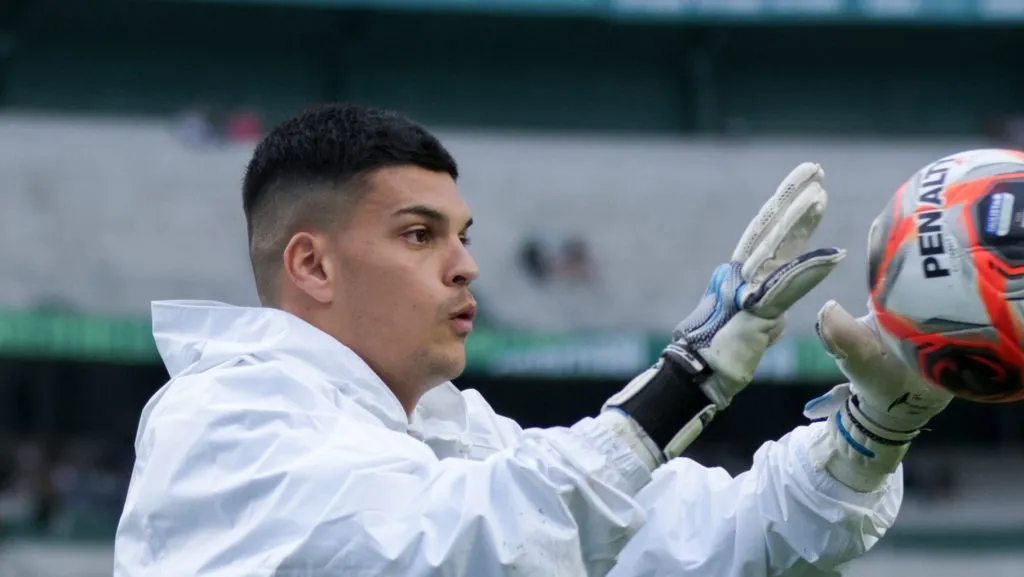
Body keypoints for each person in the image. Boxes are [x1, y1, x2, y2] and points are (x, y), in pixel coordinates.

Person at [113, 103, 951, 576]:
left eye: (463, 234)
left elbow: (708, 538)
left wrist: (867, 438)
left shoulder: (454, 436)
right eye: (418, 235)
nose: (466, 267)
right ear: (313, 265)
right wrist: (686, 379)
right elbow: (455, 551)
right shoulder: (223, 418)